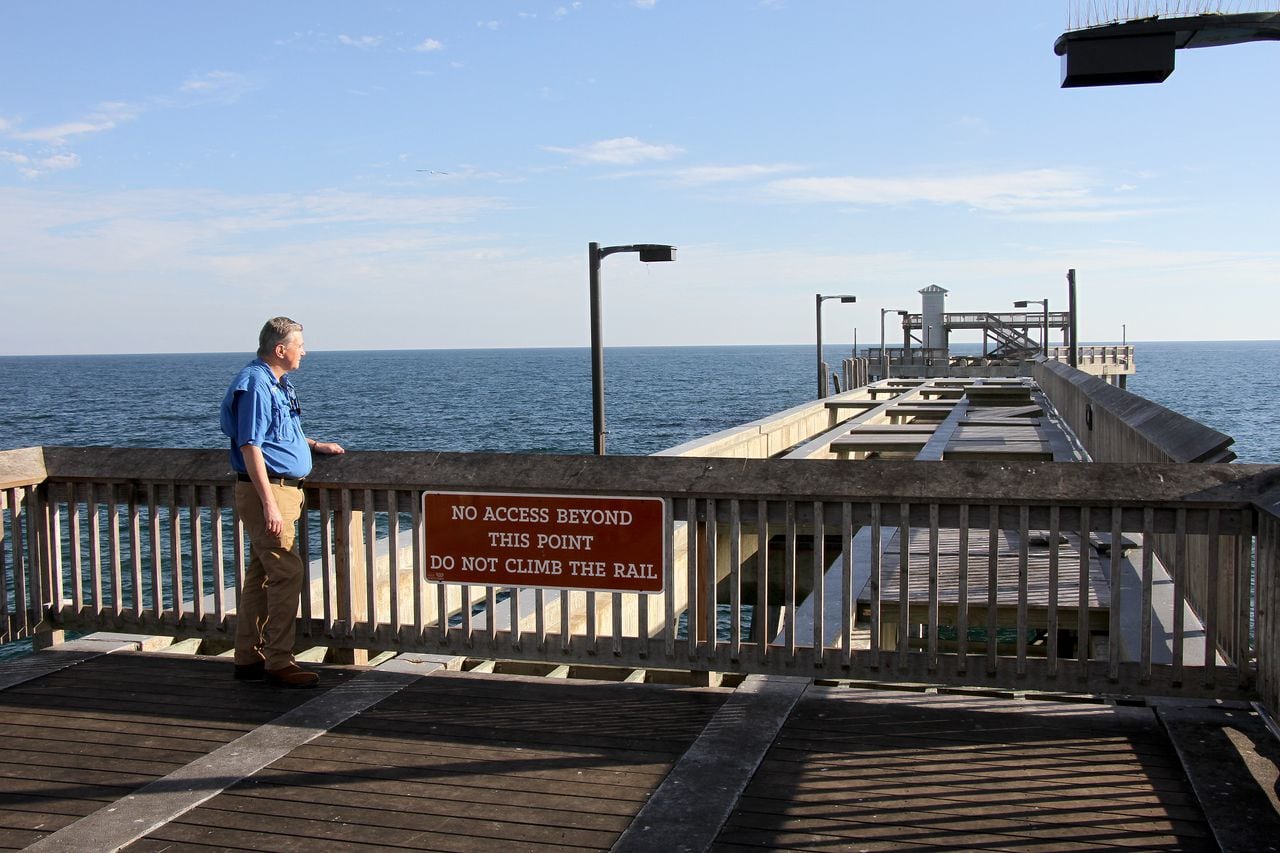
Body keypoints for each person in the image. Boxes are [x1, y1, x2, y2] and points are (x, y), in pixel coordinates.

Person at [220, 317, 344, 688]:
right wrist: (270, 504)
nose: (304, 351)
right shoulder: (256, 384)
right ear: (280, 349)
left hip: (281, 489)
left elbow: (277, 434)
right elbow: (250, 445)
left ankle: (249, 657)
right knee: (287, 573)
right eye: (299, 345)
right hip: (270, 491)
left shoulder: (275, 383)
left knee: (261, 577)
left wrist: (313, 446)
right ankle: (278, 660)